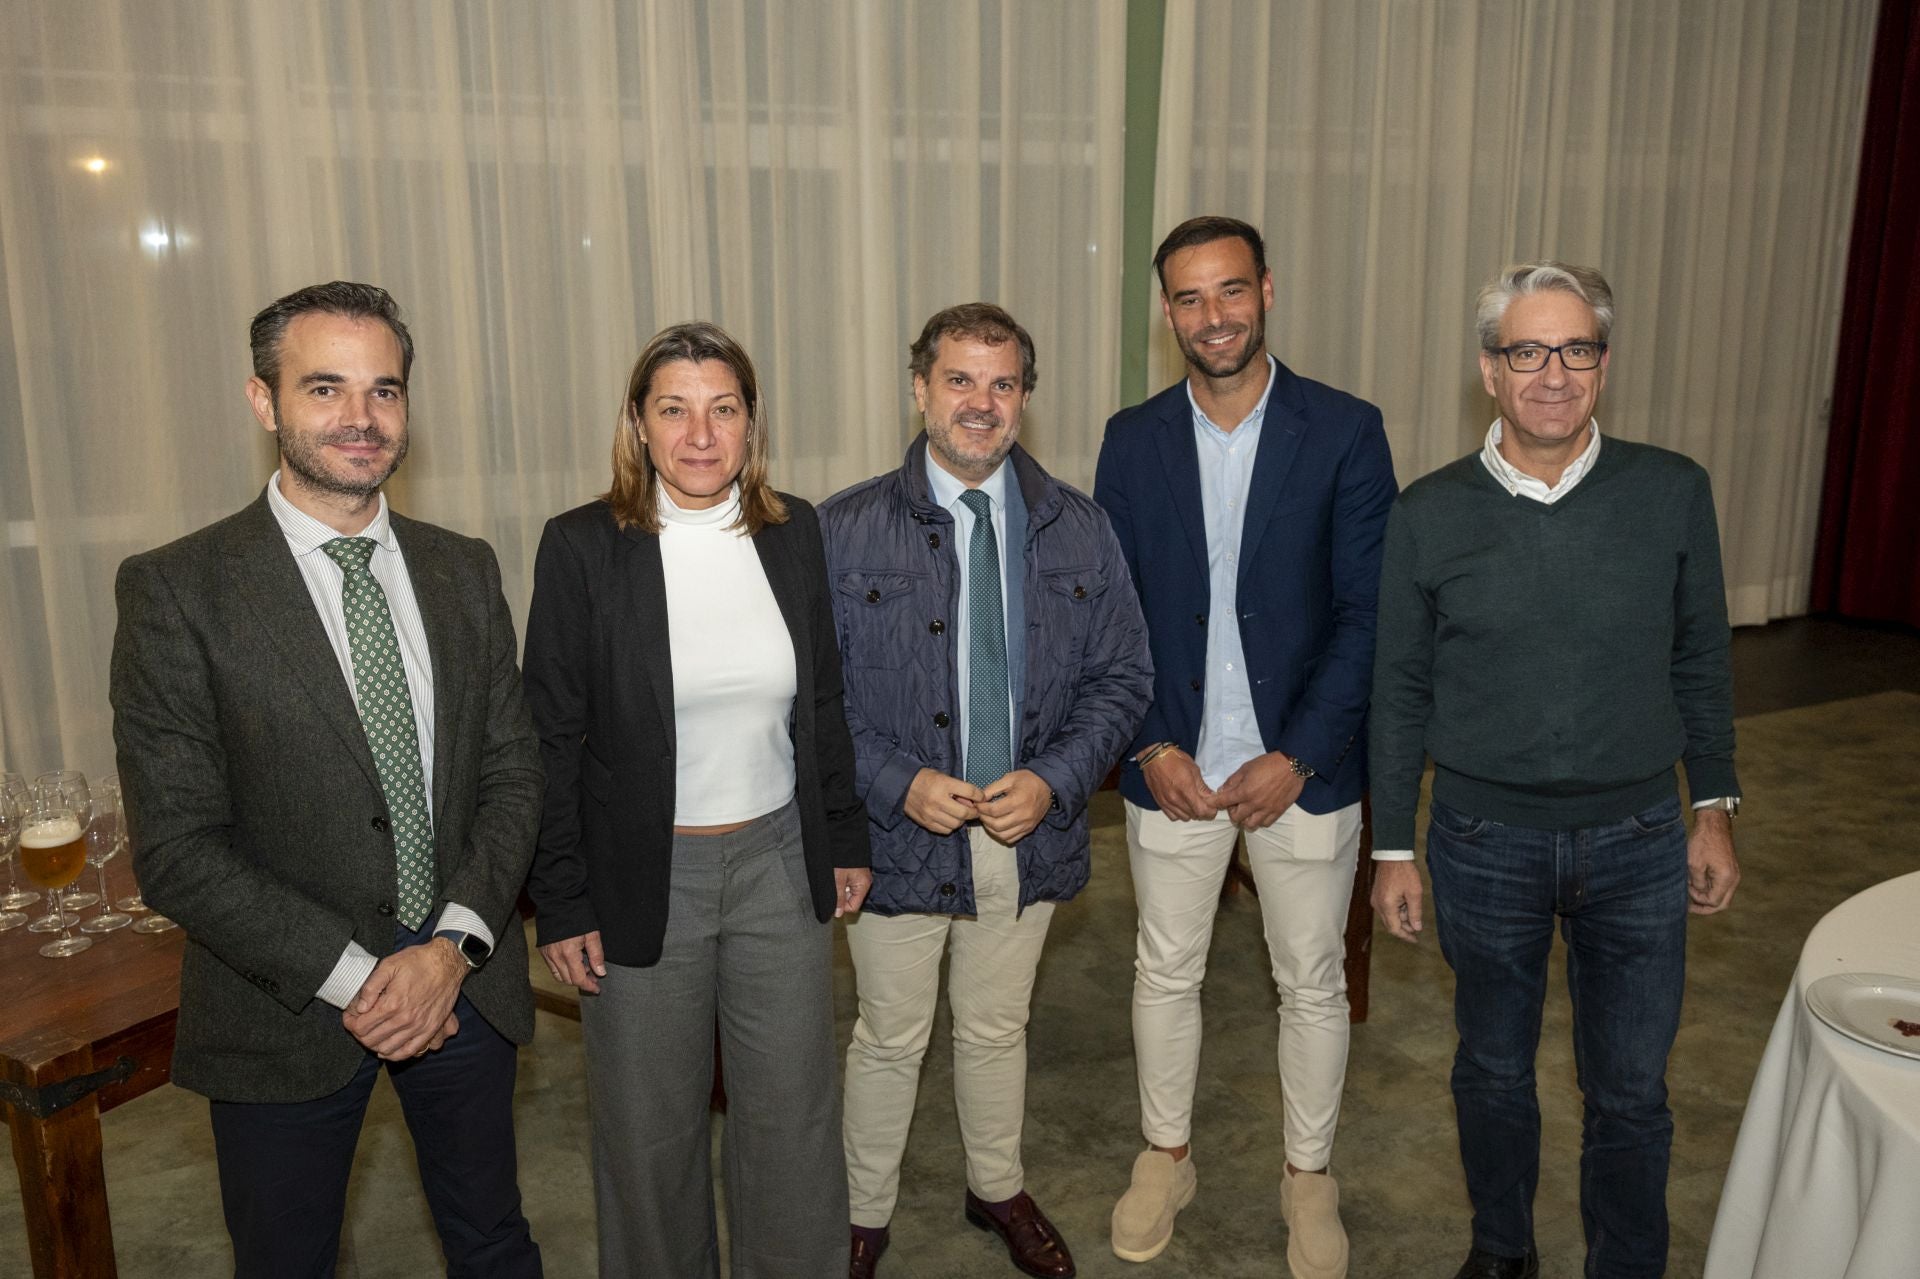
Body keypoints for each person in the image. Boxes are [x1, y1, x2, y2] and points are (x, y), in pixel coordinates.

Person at [110, 281, 543, 1277]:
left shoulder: (462, 567)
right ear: (264, 402)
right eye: (325, 387)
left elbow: (515, 774)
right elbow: (176, 848)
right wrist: (362, 978)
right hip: (282, 1000)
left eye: (383, 390)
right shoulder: (178, 589)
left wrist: (450, 948)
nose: (360, 417)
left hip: (462, 984)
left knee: (493, 1240)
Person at [1368, 261, 1742, 1279]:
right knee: (1492, 1073)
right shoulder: (1428, 512)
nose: (1552, 372)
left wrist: (1712, 807)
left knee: (1630, 1089)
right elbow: (1397, 687)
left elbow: (1701, 655)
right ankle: (1502, 1248)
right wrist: (1394, 847)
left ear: (1603, 366)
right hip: (1483, 844)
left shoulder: (1671, 491)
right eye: (1526, 351)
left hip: (1641, 841)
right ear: (1489, 371)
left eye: (1575, 349)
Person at [522, 322, 871, 1278]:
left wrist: (842, 834)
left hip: (775, 861)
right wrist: (563, 897)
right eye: (674, 409)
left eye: (723, 409)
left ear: (751, 425)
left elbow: (825, 700)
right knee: (648, 1134)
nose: (700, 434)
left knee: (792, 1120)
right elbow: (546, 741)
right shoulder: (583, 547)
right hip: (642, 875)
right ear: (639, 425)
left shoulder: (794, 531)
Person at [1093, 215, 1396, 1279]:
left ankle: (1308, 1176)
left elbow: (1369, 612)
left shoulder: (1347, 430)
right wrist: (1151, 743)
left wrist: (1301, 753)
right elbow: (1111, 611)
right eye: (1188, 297)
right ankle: (1164, 1153)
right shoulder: (1131, 439)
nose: (1211, 316)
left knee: (1310, 980)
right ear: (1166, 310)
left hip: (1300, 774)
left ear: (1266, 290)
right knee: (1163, 969)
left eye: (1229, 291)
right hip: (1172, 767)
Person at [823, 302, 1152, 1279]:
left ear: (1024, 399)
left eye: (1002, 383)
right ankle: (862, 1214)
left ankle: (997, 1185)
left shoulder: (1080, 528)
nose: (981, 402)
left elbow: (1124, 676)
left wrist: (1056, 781)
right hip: (896, 835)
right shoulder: (842, 530)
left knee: (998, 1024)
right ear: (919, 387)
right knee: (890, 1033)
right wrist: (895, 779)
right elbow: (810, 696)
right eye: (959, 380)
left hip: (1023, 834)